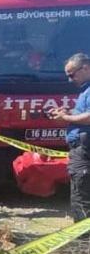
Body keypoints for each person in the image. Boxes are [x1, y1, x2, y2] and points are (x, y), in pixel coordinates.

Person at [47, 53, 90, 221]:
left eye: (72, 75)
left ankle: (83, 237)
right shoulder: (85, 90)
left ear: (85, 68)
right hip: (81, 146)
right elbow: (82, 113)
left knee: (81, 193)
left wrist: (64, 118)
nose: (70, 80)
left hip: (84, 148)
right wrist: (67, 112)